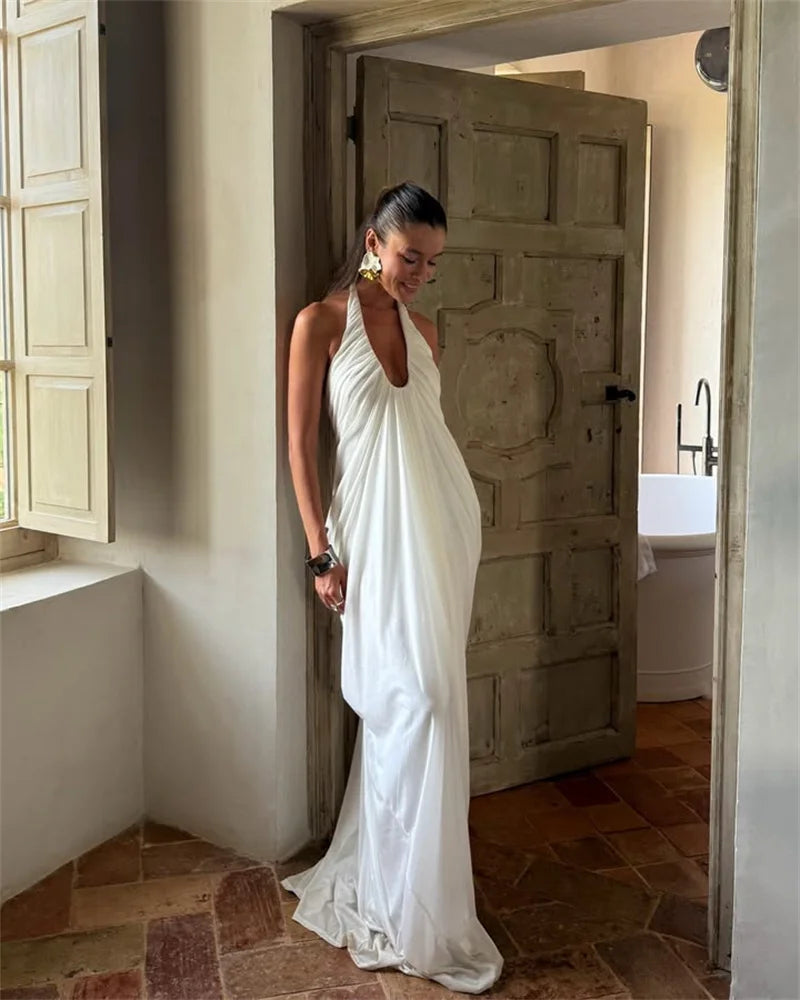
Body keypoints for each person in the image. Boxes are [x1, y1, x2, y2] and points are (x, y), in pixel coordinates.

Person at [281, 181, 504, 994]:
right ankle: (396, 893)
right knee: (409, 707)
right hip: (370, 543)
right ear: (373, 242)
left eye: (432, 264)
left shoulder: (428, 333)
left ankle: (424, 897)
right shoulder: (320, 325)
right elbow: (302, 451)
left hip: (442, 539)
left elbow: (429, 440)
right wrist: (319, 552)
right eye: (411, 257)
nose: (419, 275)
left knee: (435, 706)